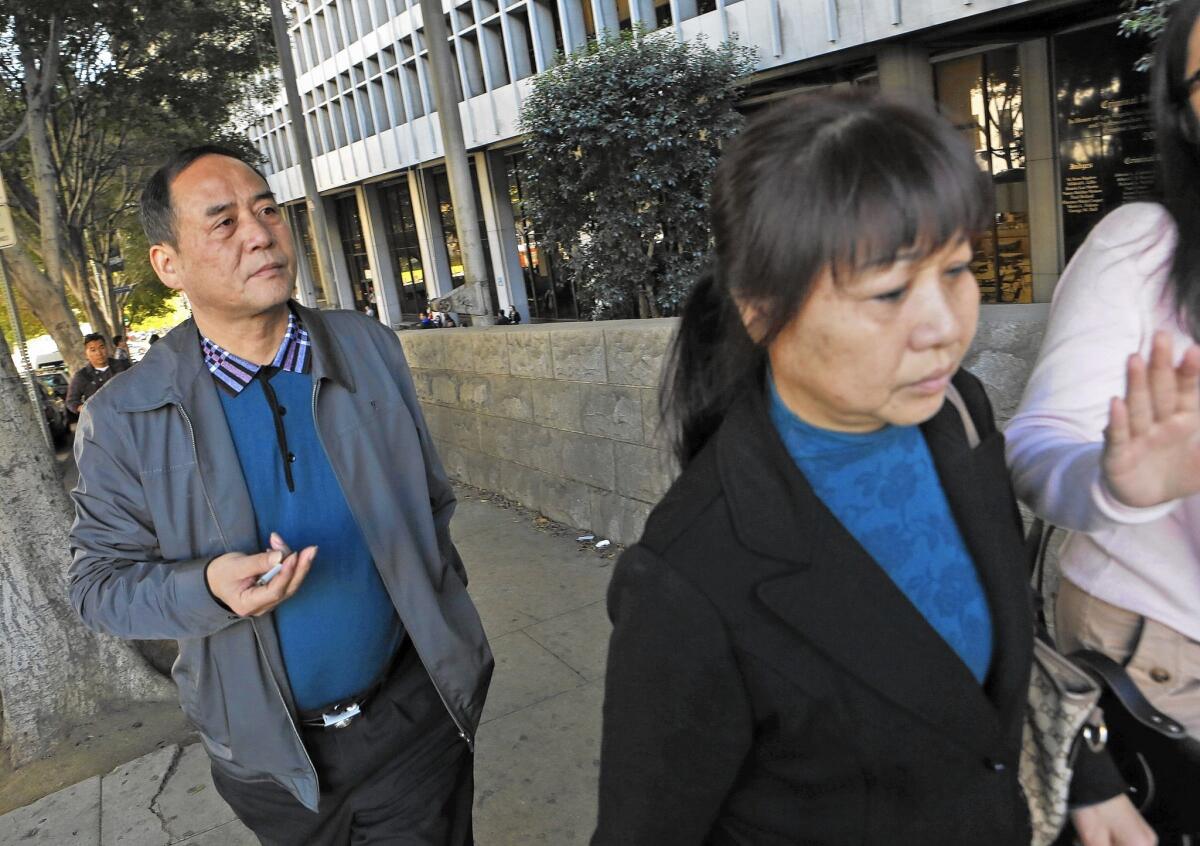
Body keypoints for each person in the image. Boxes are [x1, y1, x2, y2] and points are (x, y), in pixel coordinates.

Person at [591, 91, 1153, 846]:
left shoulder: (959, 414)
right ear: (760, 309)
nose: (945, 329)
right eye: (888, 291)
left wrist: (1088, 779)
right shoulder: (687, 580)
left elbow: (992, 647)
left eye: (956, 271)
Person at [68, 145, 493, 845]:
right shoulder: (124, 417)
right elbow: (98, 588)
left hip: (412, 722)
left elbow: (431, 504)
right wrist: (206, 586)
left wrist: (447, 626)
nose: (260, 233)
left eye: (268, 210)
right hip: (268, 759)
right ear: (168, 264)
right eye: (224, 222)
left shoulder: (369, 349)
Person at [1008, 0, 1200, 746]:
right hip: (1167, 644)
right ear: (1183, 113)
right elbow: (1036, 442)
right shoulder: (1141, 247)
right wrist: (1116, 485)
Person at [65, 332, 130, 415]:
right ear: (86, 354)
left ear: (107, 348)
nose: (99, 353)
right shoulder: (82, 376)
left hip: (128, 415)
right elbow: (71, 401)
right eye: (93, 350)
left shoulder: (124, 367)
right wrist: (86, 410)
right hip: (101, 421)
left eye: (101, 347)